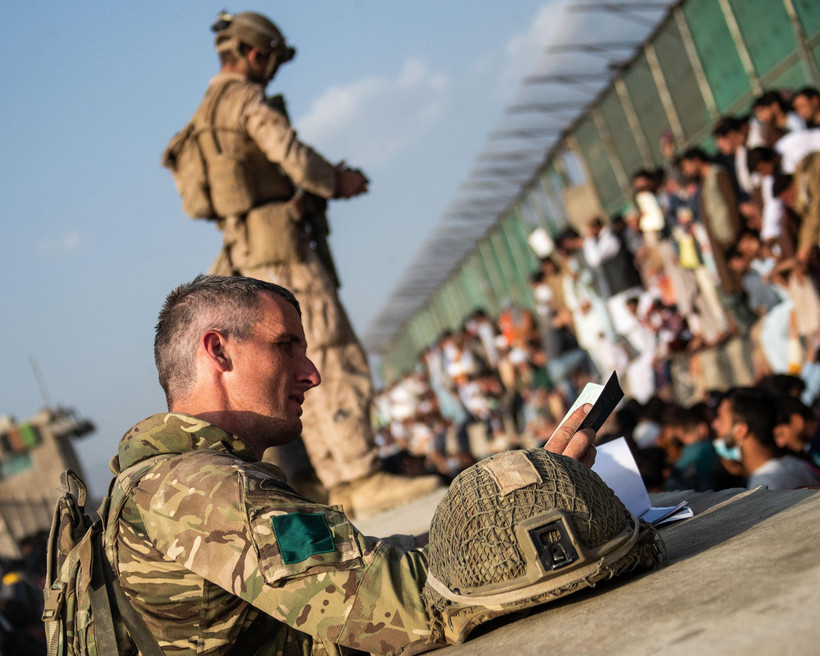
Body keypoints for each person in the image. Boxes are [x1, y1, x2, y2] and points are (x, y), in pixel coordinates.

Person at [105, 274, 599, 655]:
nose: (312, 373)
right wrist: (532, 496)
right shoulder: (200, 490)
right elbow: (403, 607)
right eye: (285, 346)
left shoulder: (163, 480)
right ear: (218, 351)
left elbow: (356, 566)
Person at [163, 11, 429, 515]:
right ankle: (360, 475)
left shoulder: (202, 118)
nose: (272, 71)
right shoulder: (245, 99)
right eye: (273, 61)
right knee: (331, 353)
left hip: (245, 256)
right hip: (283, 250)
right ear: (257, 54)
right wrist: (336, 180)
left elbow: (195, 204)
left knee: (294, 363)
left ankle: (341, 481)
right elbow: (292, 156)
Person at [711, 387, 820, 490]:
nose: (714, 425)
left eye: (721, 418)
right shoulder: (795, 464)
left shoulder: (765, 485)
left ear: (741, 430)